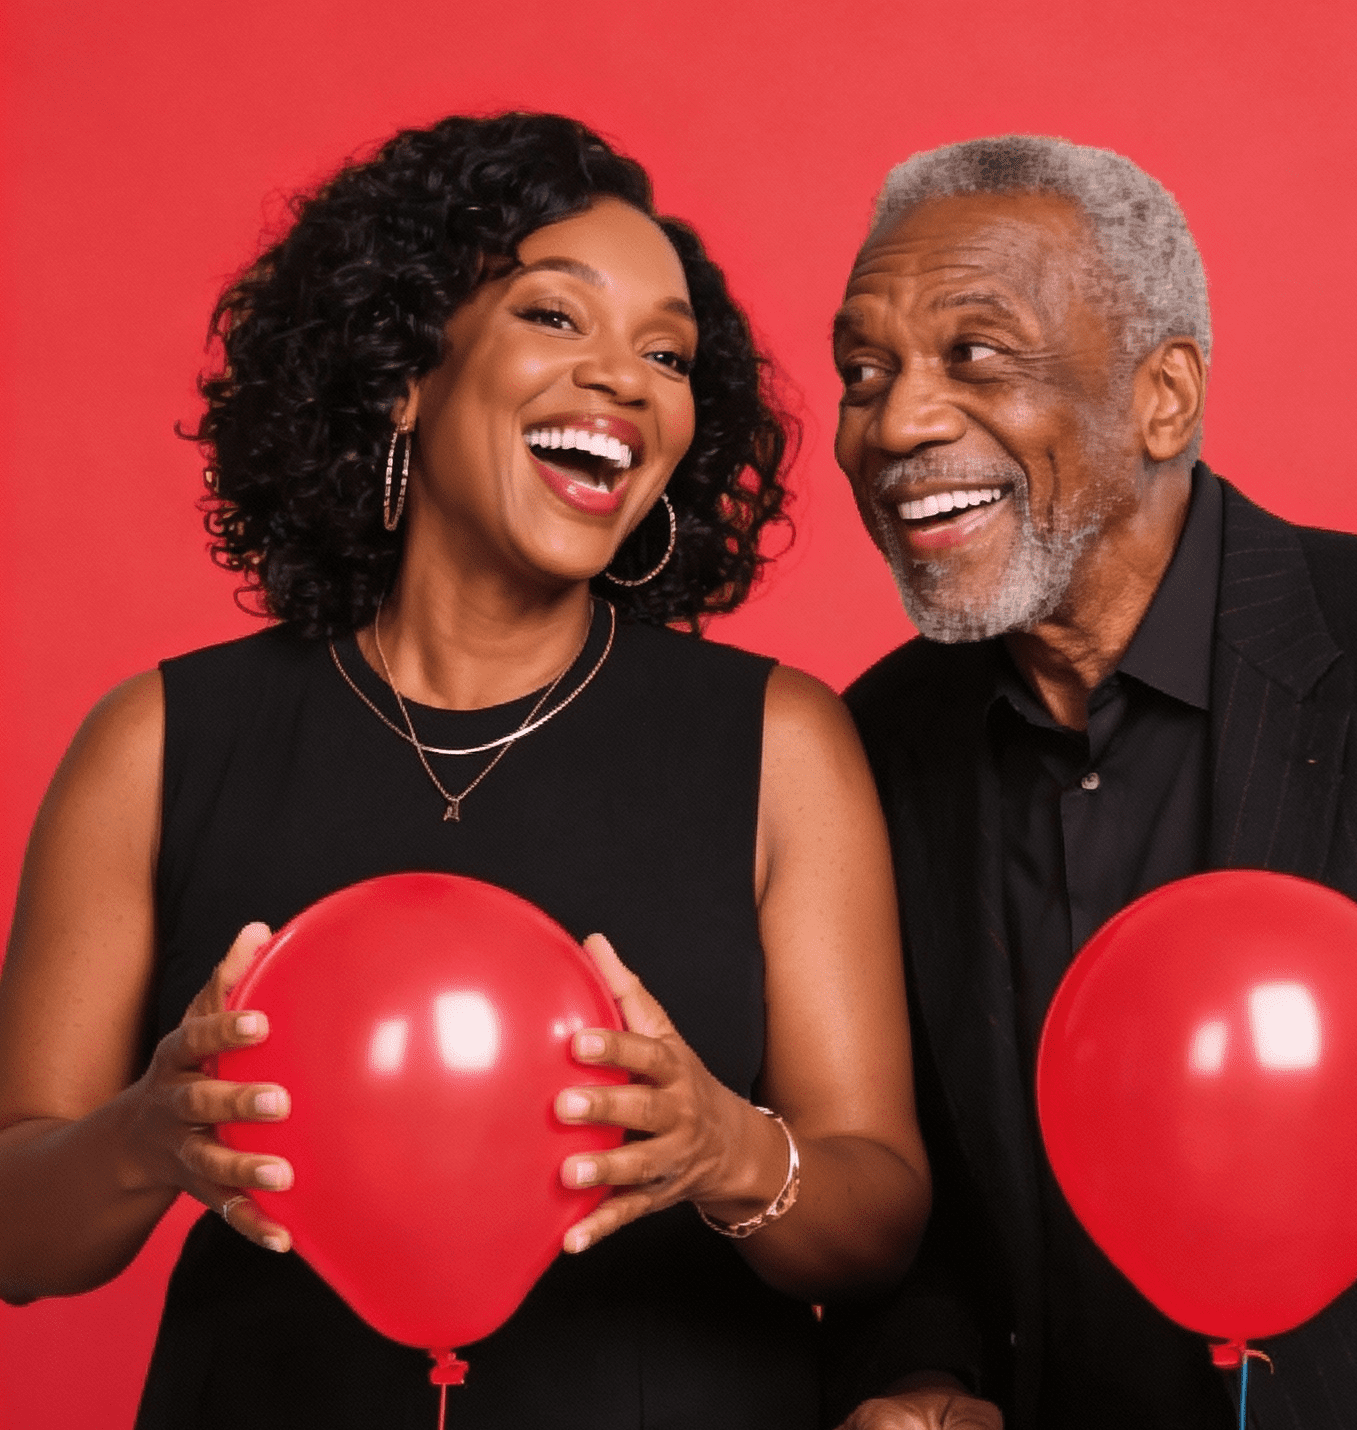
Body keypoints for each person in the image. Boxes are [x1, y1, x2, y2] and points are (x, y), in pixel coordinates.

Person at [0, 113, 929, 1429]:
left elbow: (877, 1218)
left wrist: (729, 1150)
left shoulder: (781, 742)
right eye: (556, 316)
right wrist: (146, 1133)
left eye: (666, 354)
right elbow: (17, 1234)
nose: (624, 379)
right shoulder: (157, 741)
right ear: (403, 374)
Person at [824, 135, 1357, 1430]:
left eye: (974, 355)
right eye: (863, 373)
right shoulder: (877, 741)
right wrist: (923, 1374)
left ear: (1163, 397)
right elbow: (919, 1184)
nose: (896, 424)